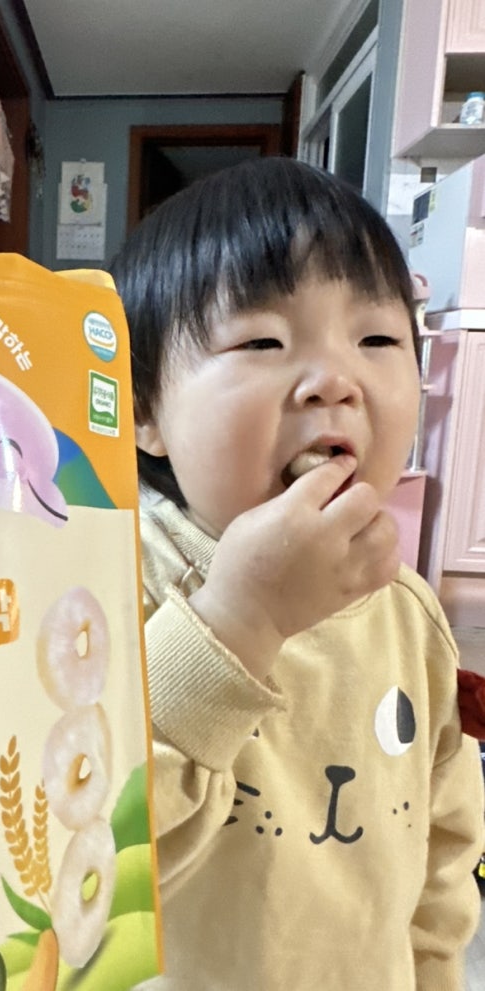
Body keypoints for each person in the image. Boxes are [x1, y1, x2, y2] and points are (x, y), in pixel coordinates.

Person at [109, 158, 485, 990]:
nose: (333, 381)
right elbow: (89, 853)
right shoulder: (112, 585)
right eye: (262, 342)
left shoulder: (407, 607)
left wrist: (432, 972)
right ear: (142, 410)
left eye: (376, 339)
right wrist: (237, 620)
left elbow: (446, 841)